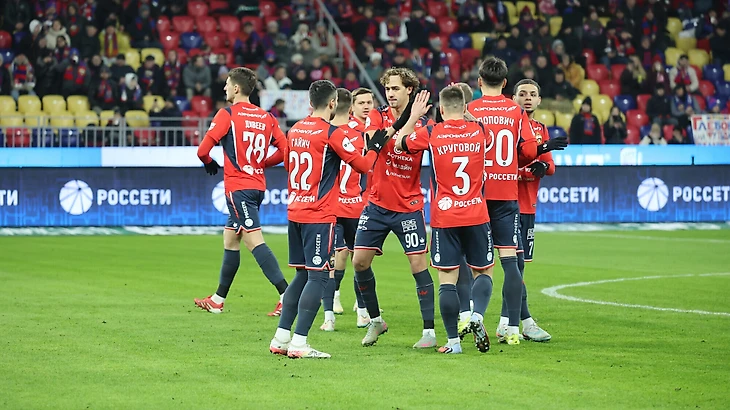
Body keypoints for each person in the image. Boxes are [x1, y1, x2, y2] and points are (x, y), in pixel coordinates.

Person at [269, 80, 388, 359]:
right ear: (333, 103)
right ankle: (299, 343)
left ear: (310, 102)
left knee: (301, 274)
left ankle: (281, 338)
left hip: (295, 210)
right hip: (318, 214)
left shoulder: (295, 129)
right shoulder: (331, 133)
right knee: (319, 276)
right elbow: (363, 165)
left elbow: (287, 163)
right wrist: (376, 146)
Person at [396, 86, 493, 354]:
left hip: (445, 216)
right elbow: (486, 135)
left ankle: (453, 342)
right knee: (483, 272)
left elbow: (400, 143)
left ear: (440, 109)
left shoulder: (432, 132)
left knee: (447, 279)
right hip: (476, 213)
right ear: (464, 107)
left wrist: (414, 117)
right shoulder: (479, 130)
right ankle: (477, 316)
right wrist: (468, 114)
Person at [194, 67, 290, 317]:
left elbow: (202, 151)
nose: (224, 88)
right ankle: (217, 300)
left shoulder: (227, 114)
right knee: (230, 239)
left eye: (227, 84)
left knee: (254, 240)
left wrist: (209, 162)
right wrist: (263, 163)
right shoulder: (267, 117)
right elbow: (285, 150)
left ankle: (286, 295)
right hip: (257, 186)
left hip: (239, 189)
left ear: (236, 88)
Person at [352, 67, 437, 349]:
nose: (390, 93)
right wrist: (407, 119)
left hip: (408, 206)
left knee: (418, 265)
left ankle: (429, 331)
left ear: (409, 90)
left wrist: (412, 120)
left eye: (396, 88)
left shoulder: (426, 122)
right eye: (387, 88)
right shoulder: (376, 115)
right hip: (376, 204)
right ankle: (376, 320)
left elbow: (404, 145)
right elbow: (373, 144)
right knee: (359, 262)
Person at [466, 56, 538, 346]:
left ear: (479, 81)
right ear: (506, 82)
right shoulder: (516, 111)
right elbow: (530, 151)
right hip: (507, 194)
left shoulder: (471, 109)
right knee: (510, 262)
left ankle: (471, 315)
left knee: (477, 264)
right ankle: (511, 328)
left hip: (477, 194)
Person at [499, 78, 560, 343]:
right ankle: (523, 322)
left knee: (518, 268)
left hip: (527, 206)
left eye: (532, 94)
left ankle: (505, 322)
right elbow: (505, 165)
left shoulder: (540, 129)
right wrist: (527, 170)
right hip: (505, 204)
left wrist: (543, 166)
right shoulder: (506, 126)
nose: (527, 98)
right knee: (512, 266)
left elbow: (550, 165)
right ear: (513, 98)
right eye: (522, 93)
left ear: (539, 100)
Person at [318, 88, 369, 332]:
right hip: (356, 207)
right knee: (361, 261)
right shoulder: (362, 135)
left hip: (330, 207)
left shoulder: (325, 134)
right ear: (351, 109)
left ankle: (329, 318)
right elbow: (368, 171)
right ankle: (363, 313)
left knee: (329, 264)